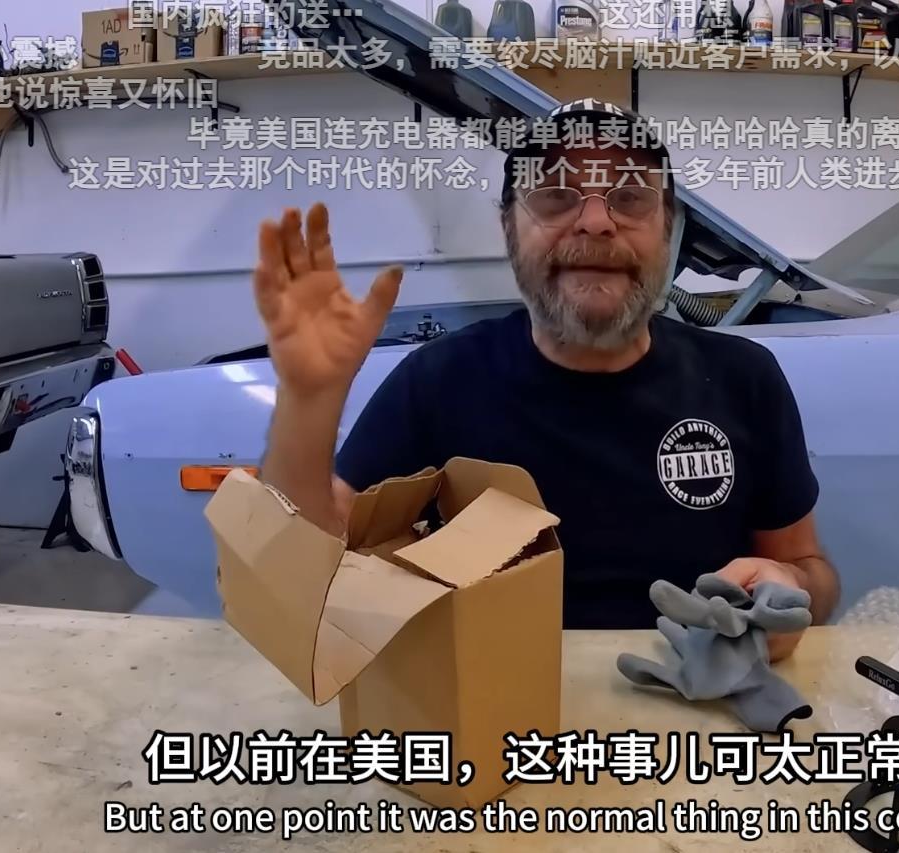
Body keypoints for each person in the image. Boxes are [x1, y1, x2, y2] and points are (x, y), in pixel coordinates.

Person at [252, 100, 838, 660]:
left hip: (702, 701)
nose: (596, 221)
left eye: (629, 196)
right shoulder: (438, 381)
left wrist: (790, 590)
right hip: (493, 700)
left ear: (668, 229)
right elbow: (306, 568)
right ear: (508, 227)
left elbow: (811, 571)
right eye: (555, 195)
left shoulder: (744, 379)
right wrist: (307, 401)